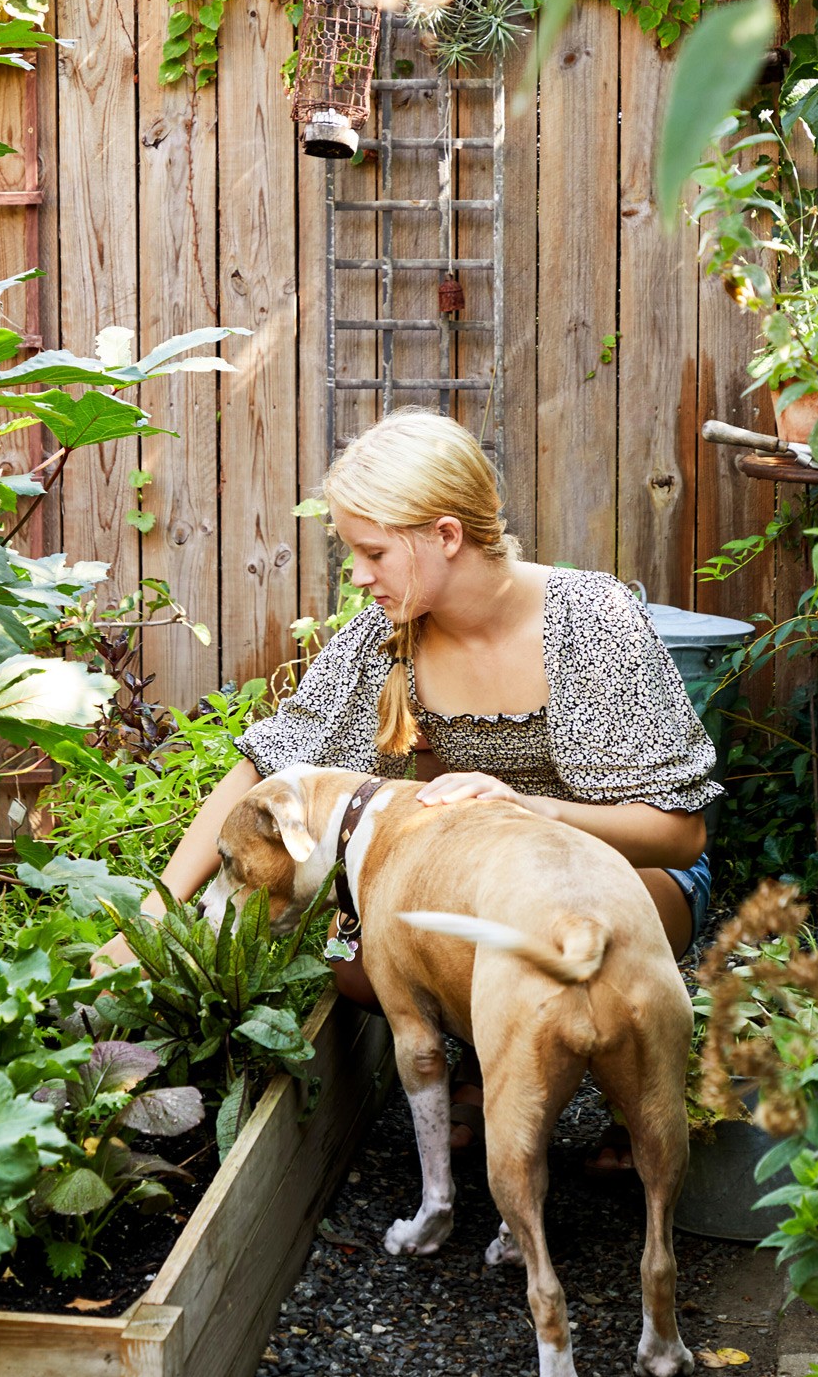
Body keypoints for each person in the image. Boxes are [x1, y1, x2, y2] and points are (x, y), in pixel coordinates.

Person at [100, 408, 720, 1165]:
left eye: (372, 552)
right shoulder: (387, 636)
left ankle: (623, 1080)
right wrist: (155, 916)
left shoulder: (590, 621)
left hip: (626, 880)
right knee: (352, 956)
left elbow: (682, 834)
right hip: (474, 894)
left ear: (447, 536)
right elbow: (266, 768)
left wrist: (526, 807)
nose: (357, 575)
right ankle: (480, 1067)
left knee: (557, 929)